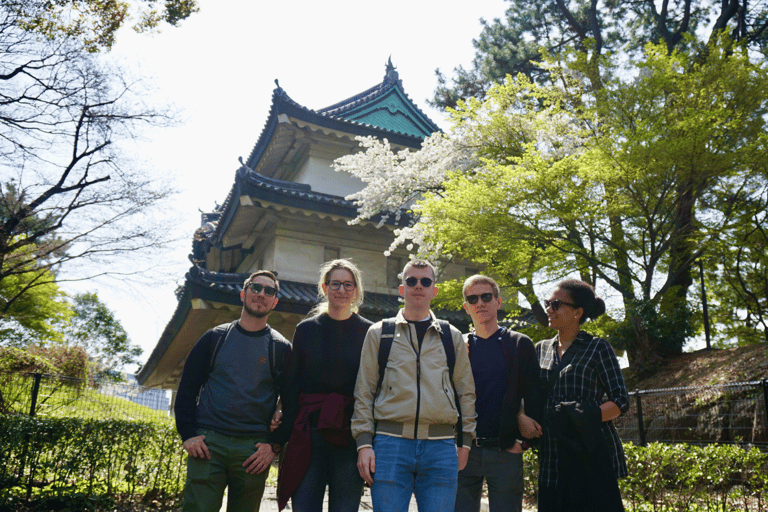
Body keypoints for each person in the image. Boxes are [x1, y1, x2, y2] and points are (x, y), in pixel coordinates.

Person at [352, 259, 477, 512]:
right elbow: (364, 391)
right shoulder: (379, 333)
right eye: (411, 281)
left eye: (425, 281)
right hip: (389, 445)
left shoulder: (450, 335)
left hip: (441, 448)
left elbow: (466, 391)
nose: (418, 286)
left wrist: (465, 441)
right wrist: (364, 443)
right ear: (402, 289)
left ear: (434, 290)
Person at [174, 270, 292, 512]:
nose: (261, 294)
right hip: (209, 443)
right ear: (243, 294)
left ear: (275, 302)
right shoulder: (214, 338)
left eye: (269, 291)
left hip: (253, 449)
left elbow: (294, 401)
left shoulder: (281, 348)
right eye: (255, 288)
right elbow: (187, 389)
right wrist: (188, 434)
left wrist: (275, 445)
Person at [518, 278, 628, 512]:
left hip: (590, 454)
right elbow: (526, 394)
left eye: (556, 304)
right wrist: (522, 418)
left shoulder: (598, 348)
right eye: (548, 303)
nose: (549, 309)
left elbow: (620, 401)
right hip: (552, 458)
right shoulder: (540, 349)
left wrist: (577, 416)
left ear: (578, 312)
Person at [275, 259, 372, 512]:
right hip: (309, 433)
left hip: (349, 435)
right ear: (324, 287)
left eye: (348, 285)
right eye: (336, 283)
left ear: (356, 290)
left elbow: (374, 386)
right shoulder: (306, 330)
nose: (342, 290)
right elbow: (292, 384)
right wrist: (287, 429)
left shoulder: (369, 332)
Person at [455, 275, 540, 512]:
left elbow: (534, 394)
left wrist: (521, 442)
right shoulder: (458, 347)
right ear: (466, 307)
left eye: (486, 297)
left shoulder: (519, 344)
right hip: (464, 451)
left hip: (505, 451)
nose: (480, 302)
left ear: (498, 301)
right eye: (473, 298)